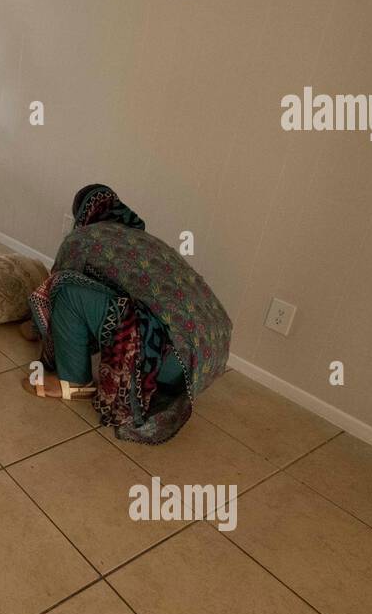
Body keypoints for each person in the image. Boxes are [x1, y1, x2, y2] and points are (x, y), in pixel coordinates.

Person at [20, 184, 233, 444]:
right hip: (210, 359)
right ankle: (163, 376)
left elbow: (52, 295)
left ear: (83, 214)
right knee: (112, 301)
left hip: (170, 362)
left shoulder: (83, 238)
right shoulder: (146, 240)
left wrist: (33, 325)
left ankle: (74, 381)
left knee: (66, 288)